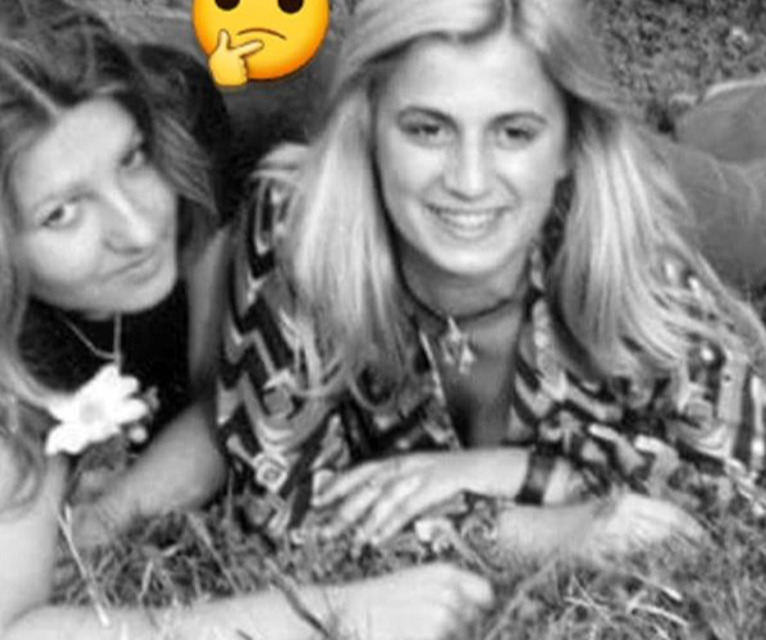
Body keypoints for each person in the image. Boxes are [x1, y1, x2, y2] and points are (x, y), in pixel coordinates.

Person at [0, 1, 495, 639]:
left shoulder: (180, 150)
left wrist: (109, 516)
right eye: (61, 213)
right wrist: (329, 614)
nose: (138, 227)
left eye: (130, 158)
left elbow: (235, 393)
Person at [218, 0, 766, 562]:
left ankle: (737, 105)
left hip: (661, 188)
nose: (470, 181)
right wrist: (544, 530)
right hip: (512, 199)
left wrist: (510, 470)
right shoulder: (302, 224)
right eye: (428, 129)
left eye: (514, 132)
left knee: (755, 216)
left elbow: (743, 482)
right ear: (368, 129)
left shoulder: (621, 232)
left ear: (570, 144)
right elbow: (278, 508)